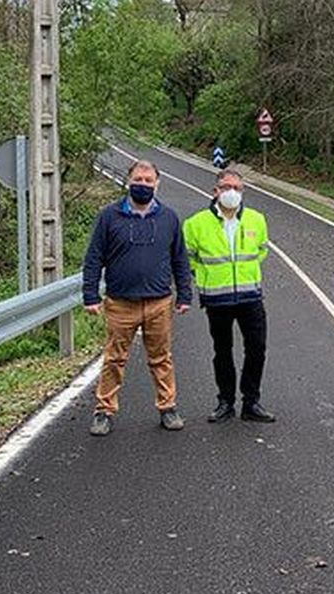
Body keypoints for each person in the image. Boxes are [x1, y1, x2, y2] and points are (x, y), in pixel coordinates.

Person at [82, 159, 193, 436]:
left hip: (159, 302)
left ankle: (168, 407)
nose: (142, 184)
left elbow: (179, 258)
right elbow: (94, 257)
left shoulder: (168, 218)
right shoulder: (109, 216)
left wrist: (185, 294)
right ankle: (103, 411)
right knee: (114, 359)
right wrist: (90, 295)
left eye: (148, 180)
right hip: (120, 303)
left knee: (161, 359)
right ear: (129, 181)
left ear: (157, 184)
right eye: (138, 179)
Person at [182, 167, 275, 424]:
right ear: (216, 191)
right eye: (226, 187)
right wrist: (204, 278)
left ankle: (251, 402)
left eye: (236, 188)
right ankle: (225, 402)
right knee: (222, 351)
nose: (231, 192)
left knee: (257, 348)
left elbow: (261, 251)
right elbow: (187, 258)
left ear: (242, 191)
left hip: (251, 297)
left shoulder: (256, 219)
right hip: (217, 298)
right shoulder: (195, 223)